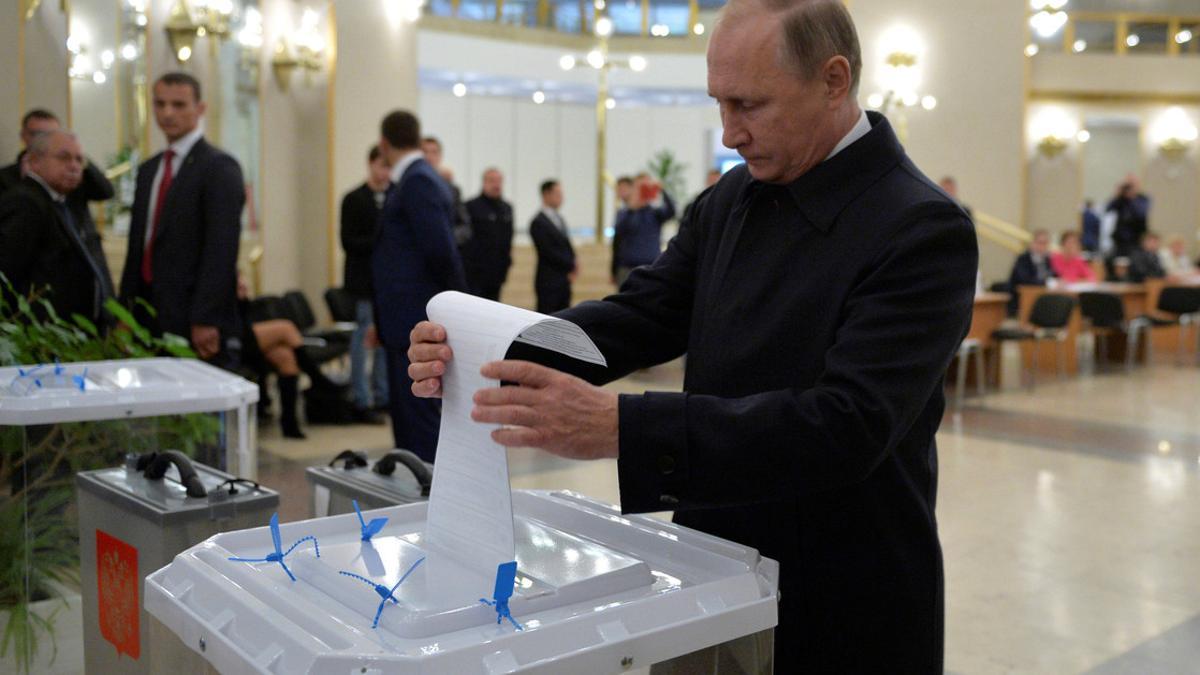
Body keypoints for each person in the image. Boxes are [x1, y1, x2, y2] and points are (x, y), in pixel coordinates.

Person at [408, 0, 976, 670]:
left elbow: (845, 425)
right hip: (715, 563)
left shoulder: (921, 228)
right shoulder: (732, 198)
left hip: (845, 587)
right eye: (719, 104)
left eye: (749, 105)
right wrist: (492, 348)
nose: (729, 133)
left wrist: (623, 426)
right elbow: (645, 312)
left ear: (833, 79)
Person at [118, 72, 244, 370]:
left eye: (178, 104)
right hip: (147, 310)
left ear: (200, 109)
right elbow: (139, 246)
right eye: (160, 104)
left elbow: (221, 249)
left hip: (192, 313)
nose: (167, 113)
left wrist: (205, 317)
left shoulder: (218, 167)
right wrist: (124, 312)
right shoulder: (150, 170)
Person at [374, 110, 467, 462]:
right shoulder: (412, 178)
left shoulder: (417, 181)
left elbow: (441, 251)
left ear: (384, 143)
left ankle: (427, 489)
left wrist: (456, 311)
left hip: (415, 317)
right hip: (401, 319)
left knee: (419, 417)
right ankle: (414, 485)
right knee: (406, 414)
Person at [0, 130, 114, 327]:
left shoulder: (58, 201)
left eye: (79, 160)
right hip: (39, 334)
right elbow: (8, 272)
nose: (74, 166)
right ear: (34, 161)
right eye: (64, 158)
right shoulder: (26, 202)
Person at [236, 275, 341, 439]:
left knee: (286, 358)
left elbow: (245, 314)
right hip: (232, 337)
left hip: (246, 335)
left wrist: (242, 297)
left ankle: (289, 423)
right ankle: (318, 379)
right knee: (286, 328)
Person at [340, 145, 391, 423]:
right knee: (363, 341)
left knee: (385, 342)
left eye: (389, 167)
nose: (386, 172)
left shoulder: (394, 196)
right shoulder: (354, 199)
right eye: (382, 166)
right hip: (362, 283)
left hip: (387, 285)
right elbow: (348, 241)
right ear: (371, 164)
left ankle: (383, 396)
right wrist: (380, 242)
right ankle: (361, 398)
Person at [1, 109, 115, 209]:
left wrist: (76, 155)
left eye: (53, 134)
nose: (46, 139)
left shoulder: (73, 170)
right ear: (23, 136)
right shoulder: (5, 177)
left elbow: (105, 192)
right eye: (38, 134)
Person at [611, 174, 675, 287]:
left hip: (651, 266)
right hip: (628, 268)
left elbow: (671, 211)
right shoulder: (624, 213)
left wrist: (661, 189)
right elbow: (619, 232)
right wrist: (633, 206)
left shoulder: (654, 213)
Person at [462, 168, 514, 301]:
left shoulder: (506, 208)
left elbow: (508, 239)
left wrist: (506, 264)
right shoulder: (471, 206)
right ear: (484, 182)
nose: (496, 185)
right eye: (492, 181)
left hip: (497, 273)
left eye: (499, 181)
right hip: (475, 275)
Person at [529, 179, 576, 313]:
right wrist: (569, 264)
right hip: (548, 280)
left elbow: (566, 244)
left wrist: (574, 261)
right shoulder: (538, 222)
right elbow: (548, 251)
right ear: (546, 194)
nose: (561, 198)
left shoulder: (559, 219)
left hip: (563, 279)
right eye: (557, 194)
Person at [421, 136, 472, 248]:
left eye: (434, 152)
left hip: (443, 251)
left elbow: (464, 226)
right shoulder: (409, 186)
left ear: (440, 156)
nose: (429, 156)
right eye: (425, 152)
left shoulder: (452, 190)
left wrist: (446, 237)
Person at [1006, 229, 1054, 316]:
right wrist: (1046, 283)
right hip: (1021, 298)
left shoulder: (1048, 259)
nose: (1043, 246)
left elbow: (1054, 275)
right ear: (1032, 243)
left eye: (1045, 243)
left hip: (1042, 295)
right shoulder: (1023, 259)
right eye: (1040, 242)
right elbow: (1025, 280)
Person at [1105, 179, 1151, 256]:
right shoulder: (1121, 200)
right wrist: (1117, 195)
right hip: (1120, 239)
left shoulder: (1143, 199)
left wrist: (1133, 198)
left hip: (1136, 239)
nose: (1129, 189)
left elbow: (1141, 214)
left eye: (1132, 186)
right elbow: (1108, 209)